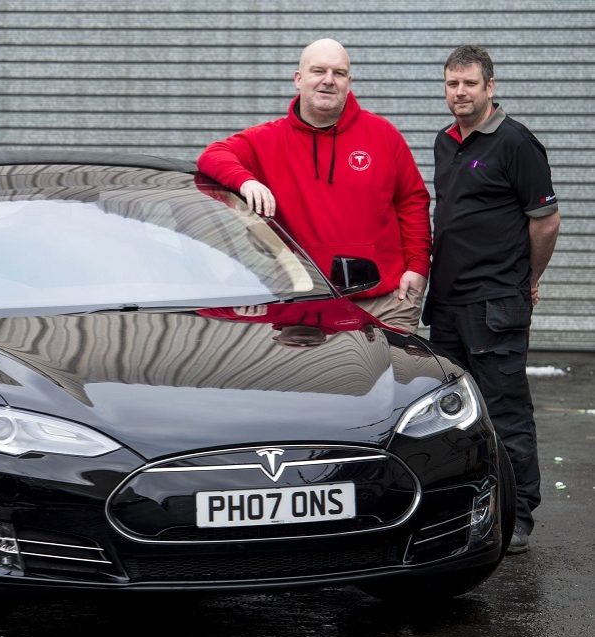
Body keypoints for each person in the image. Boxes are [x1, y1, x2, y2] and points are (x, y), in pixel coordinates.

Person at [424, 45, 560, 555]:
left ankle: (520, 513)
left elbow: (545, 220)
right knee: (449, 413)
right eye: (452, 84)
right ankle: (464, 506)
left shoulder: (516, 143)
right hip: (449, 304)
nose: (460, 93)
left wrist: (529, 277)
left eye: (470, 84)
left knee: (505, 411)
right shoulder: (444, 142)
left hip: (495, 304)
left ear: (490, 87)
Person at [198, 38, 431, 333]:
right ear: (299, 79)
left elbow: (412, 201)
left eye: (339, 73)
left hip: (385, 304)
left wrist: (418, 267)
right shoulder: (268, 140)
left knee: (396, 380)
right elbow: (213, 155)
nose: (328, 81)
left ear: (349, 81)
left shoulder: (383, 135)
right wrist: (245, 181)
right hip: (302, 311)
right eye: (318, 71)